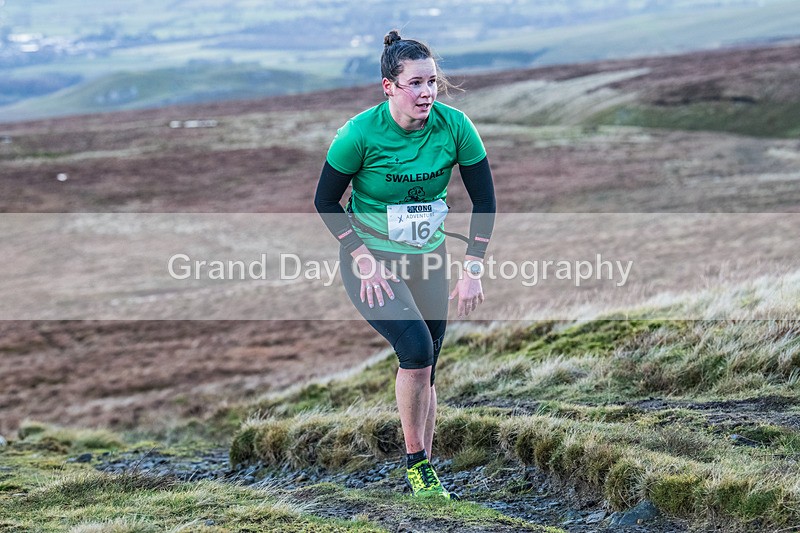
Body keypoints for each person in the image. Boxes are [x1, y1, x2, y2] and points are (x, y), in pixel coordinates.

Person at [314, 29, 496, 499]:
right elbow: (325, 201)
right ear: (389, 86)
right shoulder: (359, 134)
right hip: (371, 261)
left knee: (428, 366)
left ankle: (427, 475)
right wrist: (361, 256)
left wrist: (472, 266)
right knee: (415, 350)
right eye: (415, 83)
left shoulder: (455, 126)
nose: (427, 93)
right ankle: (416, 465)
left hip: (428, 258)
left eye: (432, 82)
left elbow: (485, 200)